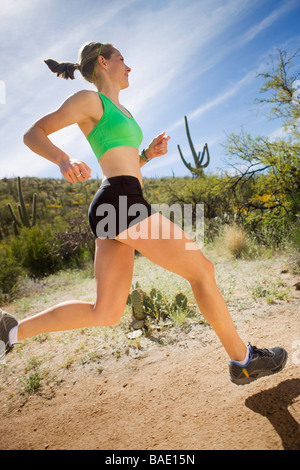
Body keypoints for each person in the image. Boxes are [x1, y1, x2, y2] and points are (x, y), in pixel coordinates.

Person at [0, 41, 288, 385]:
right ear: (104, 62)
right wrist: (63, 160)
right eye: (122, 59)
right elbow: (33, 133)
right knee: (202, 270)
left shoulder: (124, 112)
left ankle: (10, 331)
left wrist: (147, 156)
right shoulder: (90, 100)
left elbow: (125, 163)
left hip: (120, 200)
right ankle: (243, 361)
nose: (129, 66)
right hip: (119, 199)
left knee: (105, 312)